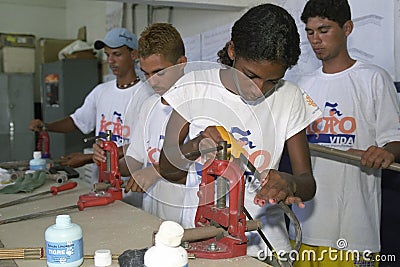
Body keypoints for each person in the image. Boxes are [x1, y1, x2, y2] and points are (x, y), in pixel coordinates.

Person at [158, 4, 322, 265]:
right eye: (250, 75)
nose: (259, 89)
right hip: (203, 240)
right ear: (233, 50)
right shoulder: (194, 87)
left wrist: (289, 183)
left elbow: (307, 183)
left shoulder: (290, 97)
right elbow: (166, 168)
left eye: (272, 81)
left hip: (267, 247)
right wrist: (198, 144)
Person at [288, 0, 400, 266]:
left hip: (355, 231)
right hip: (305, 227)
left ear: (347, 28)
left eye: (324, 30)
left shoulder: (374, 78)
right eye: (310, 32)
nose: (316, 39)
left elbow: (394, 140)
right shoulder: (301, 85)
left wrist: (384, 153)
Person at [93, 23, 187, 222]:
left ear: (182, 63)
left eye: (159, 72)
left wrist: (157, 172)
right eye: (146, 73)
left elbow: (205, 172)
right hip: (152, 218)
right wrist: (108, 159)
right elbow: (135, 162)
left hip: (188, 223)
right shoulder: (149, 106)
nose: (152, 81)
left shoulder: (199, 108)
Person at [29, 28, 153, 168]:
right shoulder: (101, 91)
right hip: (101, 177)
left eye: (117, 54)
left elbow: (146, 142)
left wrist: (88, 158)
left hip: (130, 180)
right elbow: (77, 121)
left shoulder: (147, 95)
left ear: (133, 54)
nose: (110, 61)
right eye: (107, 55)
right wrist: (45, 126)